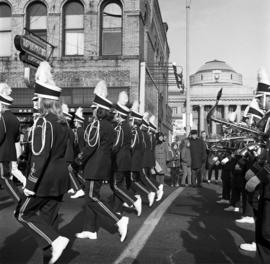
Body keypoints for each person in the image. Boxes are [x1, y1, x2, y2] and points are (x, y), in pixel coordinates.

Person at [15, 61, 70, 264]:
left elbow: (40, 156)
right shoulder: (63, 122)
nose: (35, 102)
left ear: (43, 101)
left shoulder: (44, 122)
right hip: (59, 180)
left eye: (37, 98)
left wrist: (30, 185)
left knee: (21, 213)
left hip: (43, 181)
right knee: (47, 222)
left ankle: (56, 241)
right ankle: (51, 254)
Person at [72, 80, 129, 243]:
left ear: (99, 110)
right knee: (90, 198)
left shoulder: (96, 125)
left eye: (94, 108)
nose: (93, 110)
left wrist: (77, 161)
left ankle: (118, 219)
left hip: (94, 166)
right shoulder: (110, 126)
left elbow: (89, 146)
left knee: (92, 198)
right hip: (102, 165)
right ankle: (90, 229)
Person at [0, 82, 25, 202]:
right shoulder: (15, 119)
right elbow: (16, 139)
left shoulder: (2, 117)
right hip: (9, 153)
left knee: (4, 178)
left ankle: (20, 201)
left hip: (1, 153)